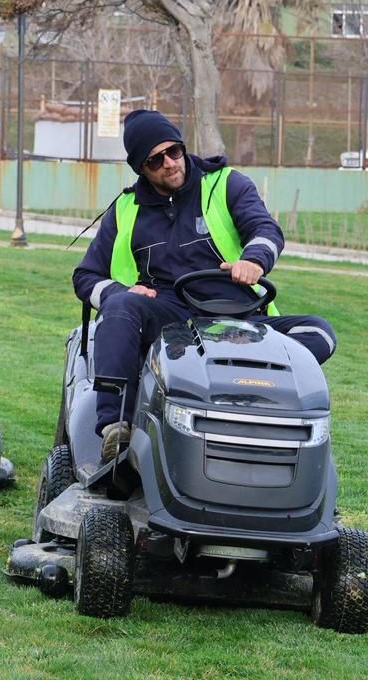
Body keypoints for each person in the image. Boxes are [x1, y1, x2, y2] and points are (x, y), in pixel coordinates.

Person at [73, 109, 337, 462]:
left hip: (241, 320)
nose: (168, 163)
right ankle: (116, 427)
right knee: (120, 307)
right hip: (170, 320)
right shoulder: (124, 209)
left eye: (174, 152)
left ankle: (260, 406)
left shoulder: (227, 184)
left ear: (183, 148)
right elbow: (85, 276)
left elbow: (266, 230)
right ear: (141, 169)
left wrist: (253, 260)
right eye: (155, 160)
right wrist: (119, 292)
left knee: (318, 332)